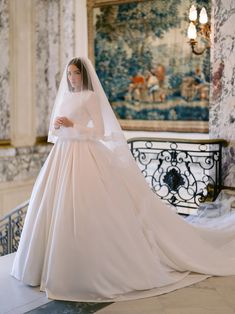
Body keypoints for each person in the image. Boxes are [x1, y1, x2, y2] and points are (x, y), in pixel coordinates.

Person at [11, 57, 235, 302]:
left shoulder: (90, 97)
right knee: (51, 206)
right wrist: (58, 126)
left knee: (86, 207)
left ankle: (83, 271)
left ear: (83, 75)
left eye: (75, 74)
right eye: (68, 74)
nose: (71, 78)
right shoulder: (66, 96)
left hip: (85, 154)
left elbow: (99, 131)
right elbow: (56, 131)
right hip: (62, 155)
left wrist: (73, 124)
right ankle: (43, 267)